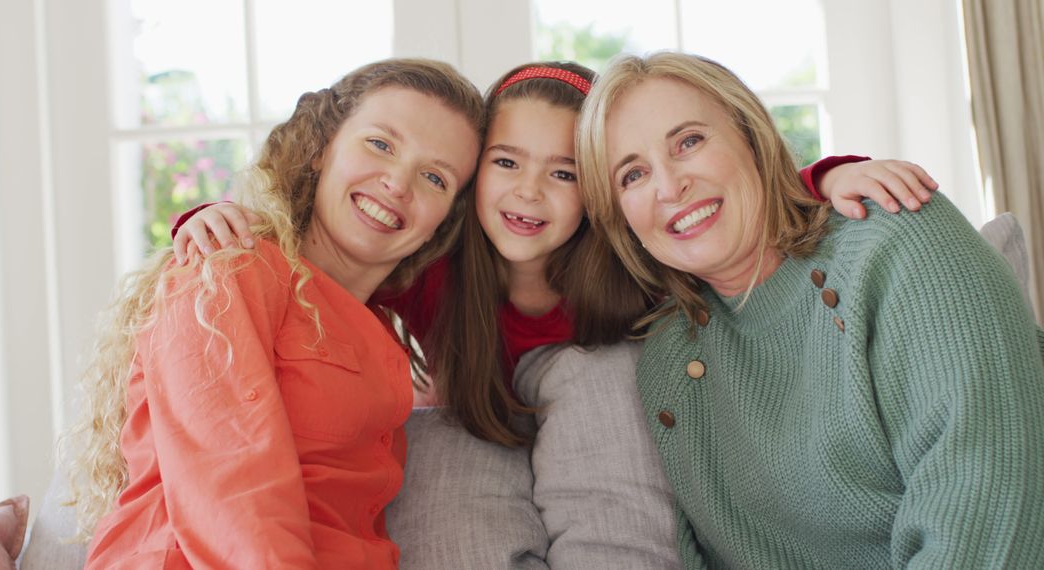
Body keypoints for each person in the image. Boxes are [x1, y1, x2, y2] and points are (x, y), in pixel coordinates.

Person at [172, 61, 939, 448]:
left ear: (601, 189)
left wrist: (833, 175)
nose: (529, 193)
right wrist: (213, 215)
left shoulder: (632, 267)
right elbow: (317, 265)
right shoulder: (432, 272)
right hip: (488, 448)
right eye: (506, 162)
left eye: (564, 172)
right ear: (473, 177)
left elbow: (728, 214)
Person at [576, 51, 1044, 568]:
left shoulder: (898, 237)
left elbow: (992, 512)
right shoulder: (668, 360)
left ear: (750, 137)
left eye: (689, 142)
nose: (669, 187)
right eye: (632, 175)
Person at [64, 58, 484, 569]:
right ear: (320, 150)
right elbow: (231, 490)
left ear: (442, 224)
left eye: (435, 177)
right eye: (380, 144)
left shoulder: (389, 342)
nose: (398, 182)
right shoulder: (230, 269)